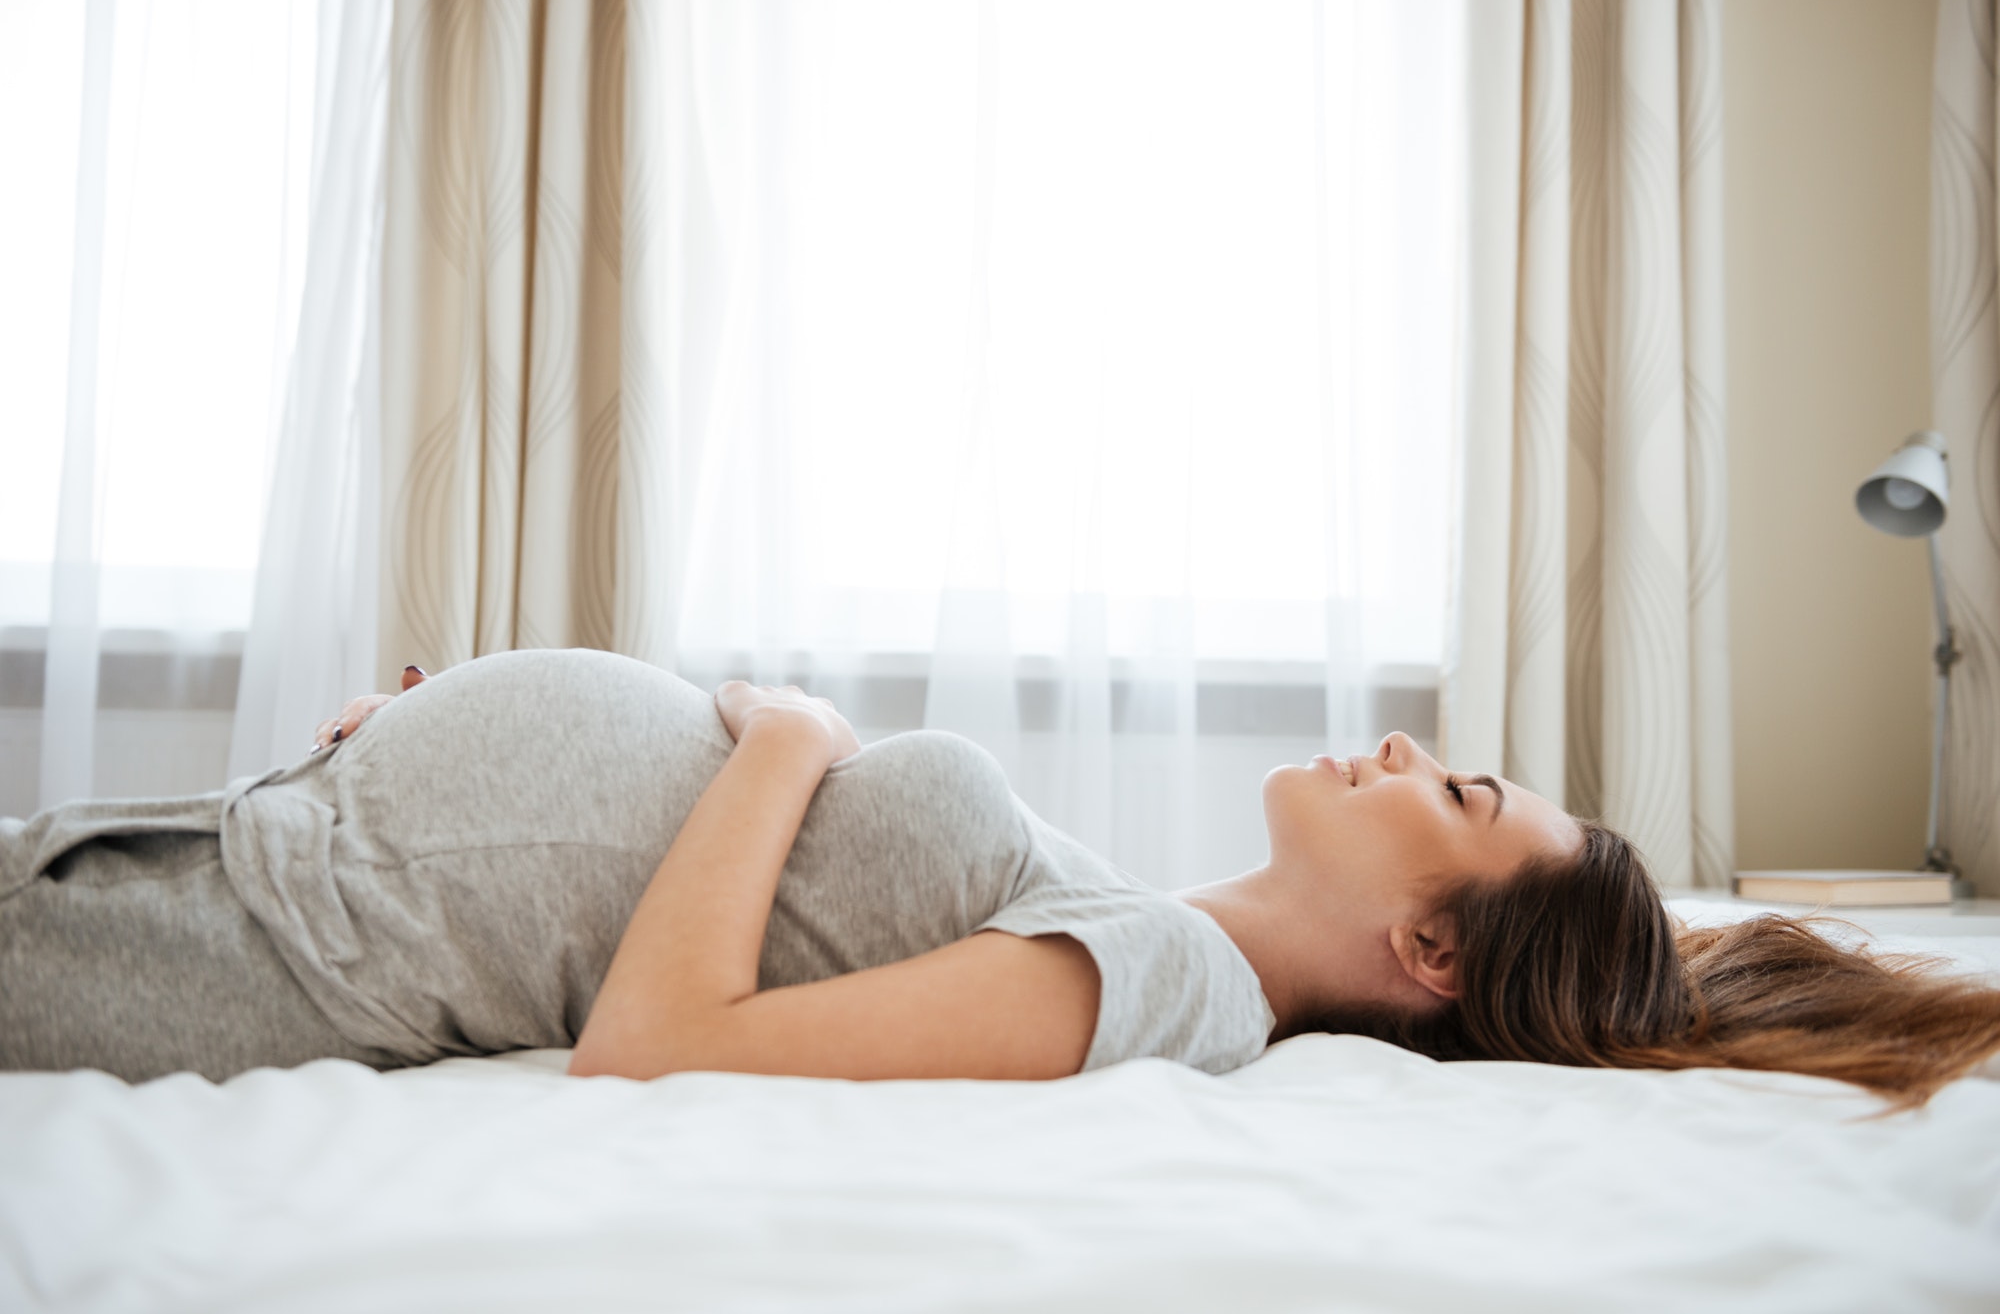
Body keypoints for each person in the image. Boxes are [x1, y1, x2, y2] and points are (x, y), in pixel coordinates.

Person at [4, 649, 1997, 1106]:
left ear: (1423, 939)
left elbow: (661, 1040)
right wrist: (440, 737)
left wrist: (786, 735)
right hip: (265, 848)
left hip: (247, 940)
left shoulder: (1175, 990)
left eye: (1454, 785)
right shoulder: (1145, 912)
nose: (1402, 744)